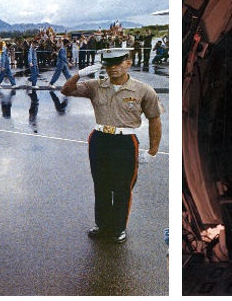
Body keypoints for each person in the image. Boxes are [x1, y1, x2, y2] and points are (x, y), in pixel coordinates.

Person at [61, 47, 163, 243]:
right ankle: (103, 225)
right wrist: (80, 74)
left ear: (128, 63)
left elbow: (154, 119)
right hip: (100, 140)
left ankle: (118, 229)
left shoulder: (143, 90)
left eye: (118, 63)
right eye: (109, 64)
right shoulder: (95, 85)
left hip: (124, 142)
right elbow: (66, 90)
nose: (113, 67)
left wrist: (153, 151)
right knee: (101, 186)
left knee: (122, 187)